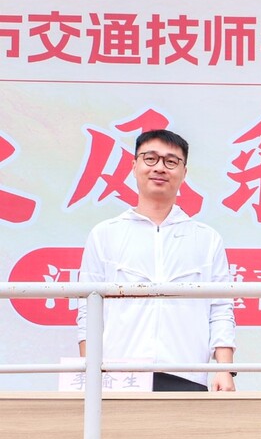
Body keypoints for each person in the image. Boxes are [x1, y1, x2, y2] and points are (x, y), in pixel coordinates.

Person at [76, 129, 236, 392]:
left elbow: (220, 308)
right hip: (117, 375)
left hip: (186, 373)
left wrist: (224, 369)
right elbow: (88, 310)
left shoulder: (206, 238)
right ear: (134, 166)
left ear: (184, 172)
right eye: (150, 158)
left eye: (171, 161)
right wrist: (90, 370)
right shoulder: (105, 234)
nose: (160, 167)